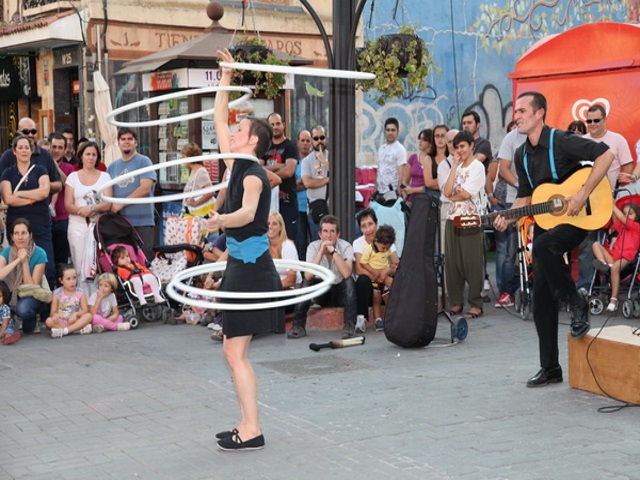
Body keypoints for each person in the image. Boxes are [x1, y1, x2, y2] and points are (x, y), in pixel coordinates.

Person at [494, 91, 614, 388]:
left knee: (545, 245)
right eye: (516, 111)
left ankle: (576, 302)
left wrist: (582, 193)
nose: (516, 116)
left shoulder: (560, 140)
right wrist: (507, 216)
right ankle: (551, 369)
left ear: (539, 114)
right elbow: (525, 198)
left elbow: (606, 154)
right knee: (541, 301)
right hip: (549, 221)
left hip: (580, 215)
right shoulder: (521, 155)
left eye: (522, 111)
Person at [204, 48, 283, 451]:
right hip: (241, 265)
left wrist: (221, 220)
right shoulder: (236, 164)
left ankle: (252, 429)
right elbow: (218, 117)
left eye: (240, 130)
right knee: (233, 352)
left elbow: (249, 212)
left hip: (251, 269)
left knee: (234, 352)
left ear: (253, 140)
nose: (231, 132)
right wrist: (227, 75)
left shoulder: (252, 176)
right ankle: (248, 423)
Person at [577, 104, 634, 293]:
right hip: (586, 201)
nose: (592, 124)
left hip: (612, 202)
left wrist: (622, 185)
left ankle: (611, 284)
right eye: (589, 121)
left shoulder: (617, 140)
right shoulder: (580, 142)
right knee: (587, 243)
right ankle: (586, 286)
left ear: (605, 119)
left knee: (614, 242)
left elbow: (628, 167)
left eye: (596, 120)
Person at [288, 214, 357, 340]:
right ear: (320, 234)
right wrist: (320, 252)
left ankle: (349, 325)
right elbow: (308, 276)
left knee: (349, 281)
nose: (329, 235)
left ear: (338, 234)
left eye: (332, 231)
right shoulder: (313, 247)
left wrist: (333, 252)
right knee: (307, 283)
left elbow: (347, 273)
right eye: (325, 231)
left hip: (340, 293)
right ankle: (298, 326)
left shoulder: (346, 246)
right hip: (322, 292)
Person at [0, 135, 56, 288]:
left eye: (27, 148)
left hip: (40, 223)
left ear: (31, 151)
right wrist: (32, 198)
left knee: (48, 266)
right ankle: (20, 303)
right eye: (20, 147)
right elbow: (8, 199)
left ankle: (46, 305)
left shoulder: (40, 170)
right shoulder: (8, 173)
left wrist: (18, 194)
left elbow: (44, 192)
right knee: (17, 264)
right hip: (16, 226)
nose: (24, 151)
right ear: (14, 151)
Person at [443, 130, 486, 320]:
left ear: (471, 146)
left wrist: (454, 194)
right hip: (452, 218)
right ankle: (456, 301)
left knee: (471, 262)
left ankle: (476, 303)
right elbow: (447, 191)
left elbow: (466, 193)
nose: (459, 150)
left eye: (462, 146)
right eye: (456, 147)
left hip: (470, 219)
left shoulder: (477, 167)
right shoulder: (457, 167)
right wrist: (453, 166)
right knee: (453, 264)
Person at [64, 141, 112, 285]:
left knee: (98, 264)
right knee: (79, 265)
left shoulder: (105, 177)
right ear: (81, 156)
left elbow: (108, 203)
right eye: (88, 154)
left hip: (99, 227)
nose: (91, 158)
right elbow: (68, 204)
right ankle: (82, 299)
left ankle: (99, 300)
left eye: (94, 155)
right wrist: (81, 212)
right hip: (77, 226)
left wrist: (92, 209)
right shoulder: (72, 177)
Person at [107, 128, 157, 261]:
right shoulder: (112, 167)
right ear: (118, 142)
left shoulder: (144, 161)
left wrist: (121, 203)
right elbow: (108, 192)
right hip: (120, 224)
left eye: (130, 139)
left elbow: (146, 187)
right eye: (123, 139)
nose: (126, 142)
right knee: (123, 263)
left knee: (143, 261)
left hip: (142, 222)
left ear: (136, 142)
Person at [493, 125, 527, 308]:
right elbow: (503, 169)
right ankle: (507, 291)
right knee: (510, 251)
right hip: (514, 201)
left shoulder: (546, 136)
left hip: (541, 201)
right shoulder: (510, 139)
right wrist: (520, 185)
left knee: (536, 249)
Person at [353, 208, 399, 332]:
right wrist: (381, 277)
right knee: (362, 280)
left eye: (370, 224)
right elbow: (359, 269)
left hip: (386, 285)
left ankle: (396, 317)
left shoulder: (386, 240)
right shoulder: (358, 243)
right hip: (370, 286)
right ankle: (362, 317)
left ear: (376, 223)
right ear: (360, 229)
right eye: (363, 226)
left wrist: (387, 273)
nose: (368, 229)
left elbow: (395, 265)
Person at [0, 219, 50, 334]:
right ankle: (8, 319)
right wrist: (17, 260)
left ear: (30, 235)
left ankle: (31, 321)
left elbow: (32, 287)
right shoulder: (7, 252)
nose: (20, 237)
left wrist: (25, 262)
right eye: (16, 233)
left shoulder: (40, 253)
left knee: (23, 310)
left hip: (33, 296)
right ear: (12, 237)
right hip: (13, 292)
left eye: (24, 233)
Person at [592, 203, 640, 312]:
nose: (626, 216)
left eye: (630, 214)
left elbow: (622, 218)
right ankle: (603, 263)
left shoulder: (637, 226)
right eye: (624, 213)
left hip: (627, 256)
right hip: (613, 255)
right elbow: (615, 218)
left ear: (636, 216)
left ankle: (614, 299)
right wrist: (609, 202)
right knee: (595, 244)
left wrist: (612, 204)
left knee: (614, 268)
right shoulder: (622, 225)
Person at [262, 112, 300, 244]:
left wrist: (268, 169)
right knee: (270, 242)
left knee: (289, 242)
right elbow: (259, 170)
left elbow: (289, 171)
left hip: (287, 203)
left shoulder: (290, 146)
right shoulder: (263, 147)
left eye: (278, 123)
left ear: (283, 125)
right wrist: (279, 165)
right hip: (268, 205)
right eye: (271, 124)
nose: (275, 127)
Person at [48, 132, 75, 270]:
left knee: (61, 258)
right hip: (44, 219)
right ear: (49, 147)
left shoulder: (70, 168)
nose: (56, 150)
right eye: (54, 147)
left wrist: (55, 167)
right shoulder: (41, 165)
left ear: (65, 150)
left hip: (63, 219)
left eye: (60, 147)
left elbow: (68, 184)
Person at [45, 264, 93, 338]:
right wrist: (55, 315)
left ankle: (65, 331)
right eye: (68, 279)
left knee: (88, 316)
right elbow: (53, 312)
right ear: (61, 280)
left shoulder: (80, 292)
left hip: (75, 320)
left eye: (74, 278)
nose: (72, 281)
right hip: (61, 321)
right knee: (48, 321)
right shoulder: (57, 293)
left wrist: (76, 314)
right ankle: (76, 329)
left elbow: (85, 310)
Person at [301, 125, 331, 241]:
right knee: (317, 245)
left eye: (322, 137)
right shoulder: (307, 161)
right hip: (315, 210)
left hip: (332, 208)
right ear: (312, 140)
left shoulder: (332, 156)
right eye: (316, 138)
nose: (319, 141)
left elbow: (338, 175)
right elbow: (307, 183)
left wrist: (323, 161)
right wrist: (328, 179)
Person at [376, 117, 407, 201]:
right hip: (380, 192)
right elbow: (379, 172)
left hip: (392, 193)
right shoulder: (381, 148)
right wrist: (374, 192)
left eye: (393, 130)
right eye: (388, 130)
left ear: (398, 131)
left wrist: (397, 194)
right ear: (384, 131)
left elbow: (401, 175)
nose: (390, 133)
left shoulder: (400, 149)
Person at [268, 211, 301, 289]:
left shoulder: (288, 246)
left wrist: (271, 289)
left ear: (280, 227)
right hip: (272, 289)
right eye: (268, 223)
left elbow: (291, 279)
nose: (270, 227)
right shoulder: (263, 247)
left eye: (274, 224)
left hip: (290, 289)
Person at [181, 142, 215, 217]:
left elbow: (210, 192)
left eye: (184, 157)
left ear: (190, 157)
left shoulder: (200, 171)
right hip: (192, 212)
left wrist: (196, 203)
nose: (182, 160)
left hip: (198, 213)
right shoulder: (193, 170)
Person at [401, 128, 432, 203]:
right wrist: (405, 196)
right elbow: (405, 180)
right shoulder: (413, 158)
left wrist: (413, 190)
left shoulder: (434, 160)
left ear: (430, 143)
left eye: (424, 139)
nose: (420, 142)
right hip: (411, 198)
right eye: (419, 139)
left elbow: (432, 185)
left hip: (427, 199)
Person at [295, 129, 312, 259]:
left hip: (313, 208)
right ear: (298, 142)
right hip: (299, 208)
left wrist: (303, 181)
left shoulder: (315, 160)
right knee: (300, 244)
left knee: (315, 243)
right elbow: (292, 186)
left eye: (308, 141)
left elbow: (319, 180)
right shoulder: (294, 162)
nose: (305, 144)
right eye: (303, 141)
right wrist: (307, 181)